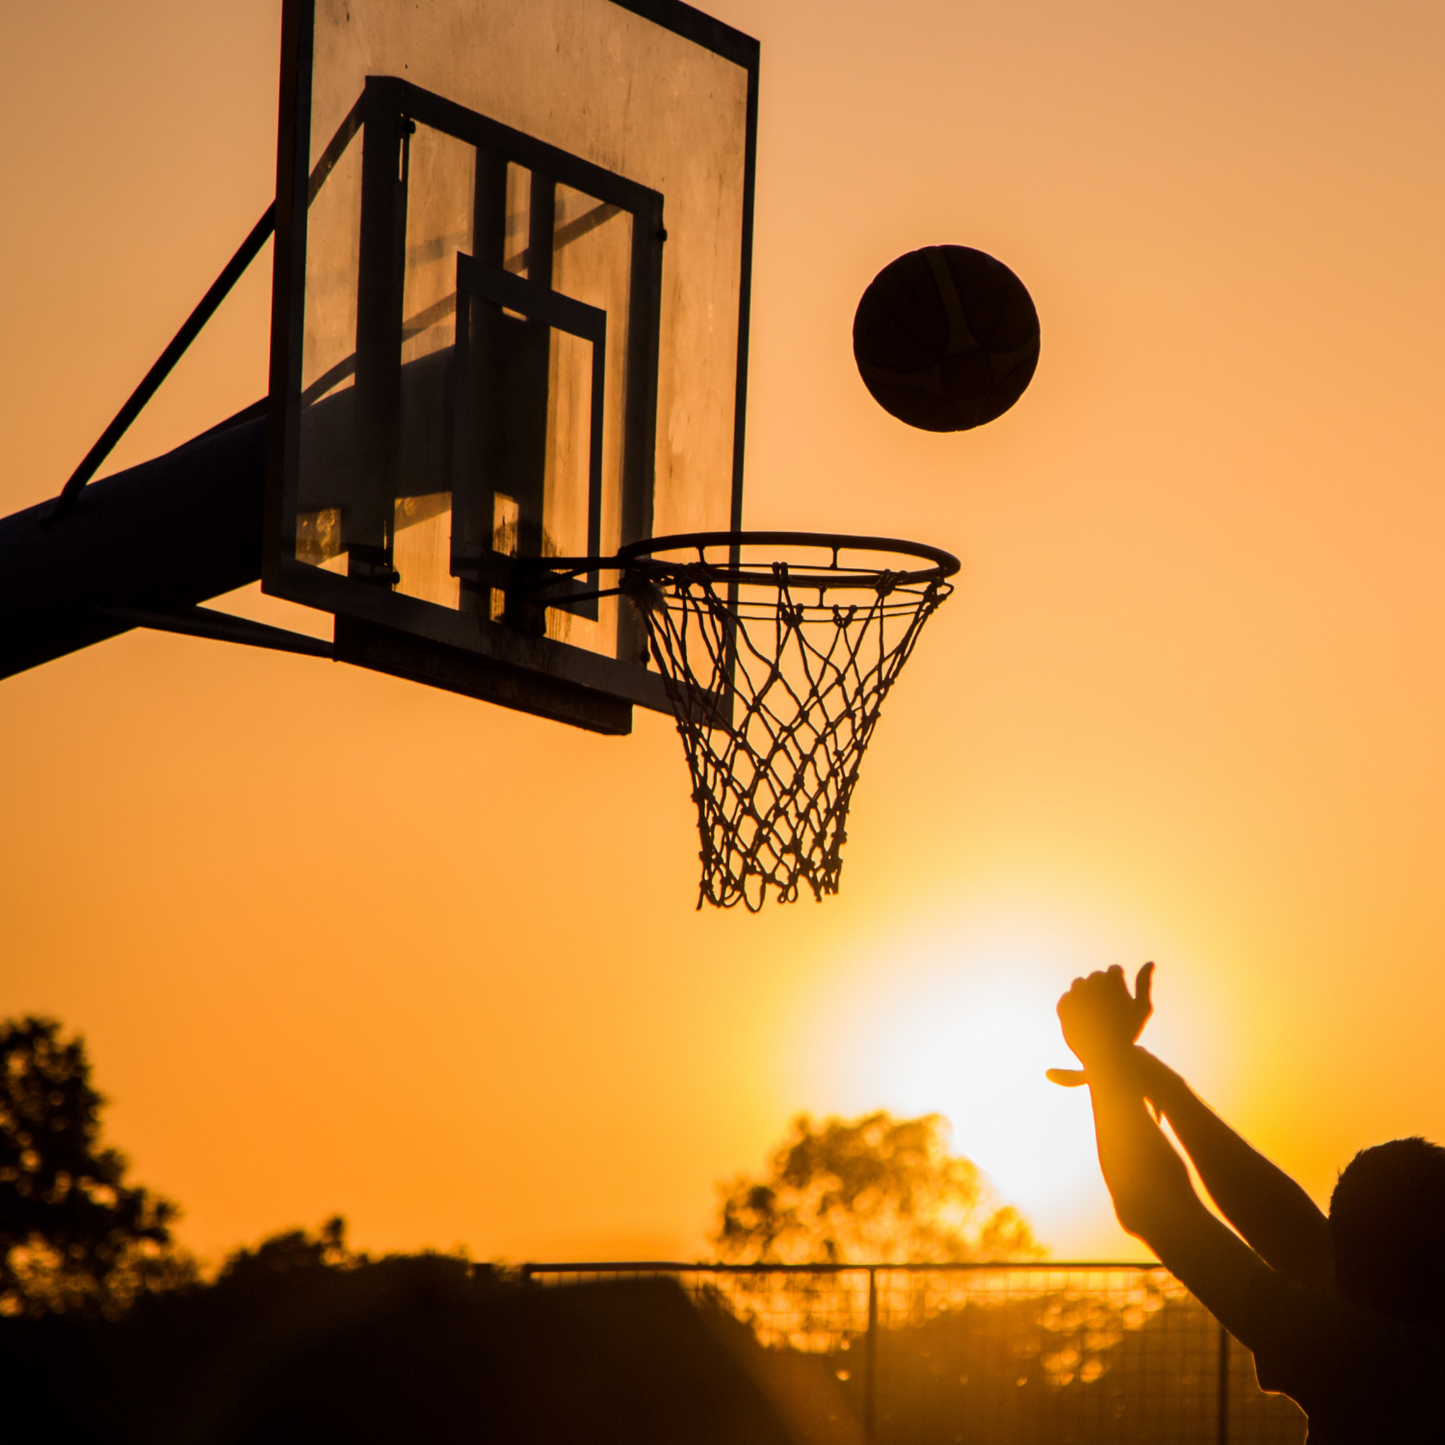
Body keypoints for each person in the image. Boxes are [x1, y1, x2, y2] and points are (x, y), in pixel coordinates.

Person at [1049, 963, 1444, 1442]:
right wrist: (1156, 1083)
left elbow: (1154, 1207)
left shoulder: (1373, 1364)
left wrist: (1106, 1056)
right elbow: (1291, 1232)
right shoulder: (1416, 1328)